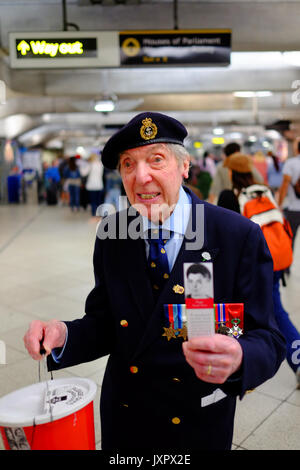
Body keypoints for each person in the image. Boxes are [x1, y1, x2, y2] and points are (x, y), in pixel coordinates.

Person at [23, 112, 286, 451]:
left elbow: (269, 335)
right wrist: (63, 335)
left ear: (185, 166)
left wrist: (240, 355)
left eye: (156, 159)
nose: (141, 176)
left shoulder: (236, 236)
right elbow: (109, 322)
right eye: (128, 164)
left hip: (196, 420)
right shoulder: (112, 234)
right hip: (126, 419)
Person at [217, 152, 300, 388]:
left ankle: (236, 363)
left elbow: (224, 235)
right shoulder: (264, 191)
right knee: (276, 311)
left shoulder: (228, 196)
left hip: (242, 267)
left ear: (231, 172)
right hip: (271, 261)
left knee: (235, 311)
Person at [278, 141, 300, 251]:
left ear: (297, 149)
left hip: (294, 209)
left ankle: (287, 266)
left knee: (290, 239)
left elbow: (285, 185)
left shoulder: (291, 163)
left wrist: (279, 204)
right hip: (293, 209)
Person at [80, 153, 104, 217]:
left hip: (91, 185)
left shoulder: (90, 165)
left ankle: (94, 213)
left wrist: (81, 167)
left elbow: (83, 173)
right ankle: (99, 213)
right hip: (99, 184)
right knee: (98, 200)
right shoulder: (101, 165)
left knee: (93, 200)